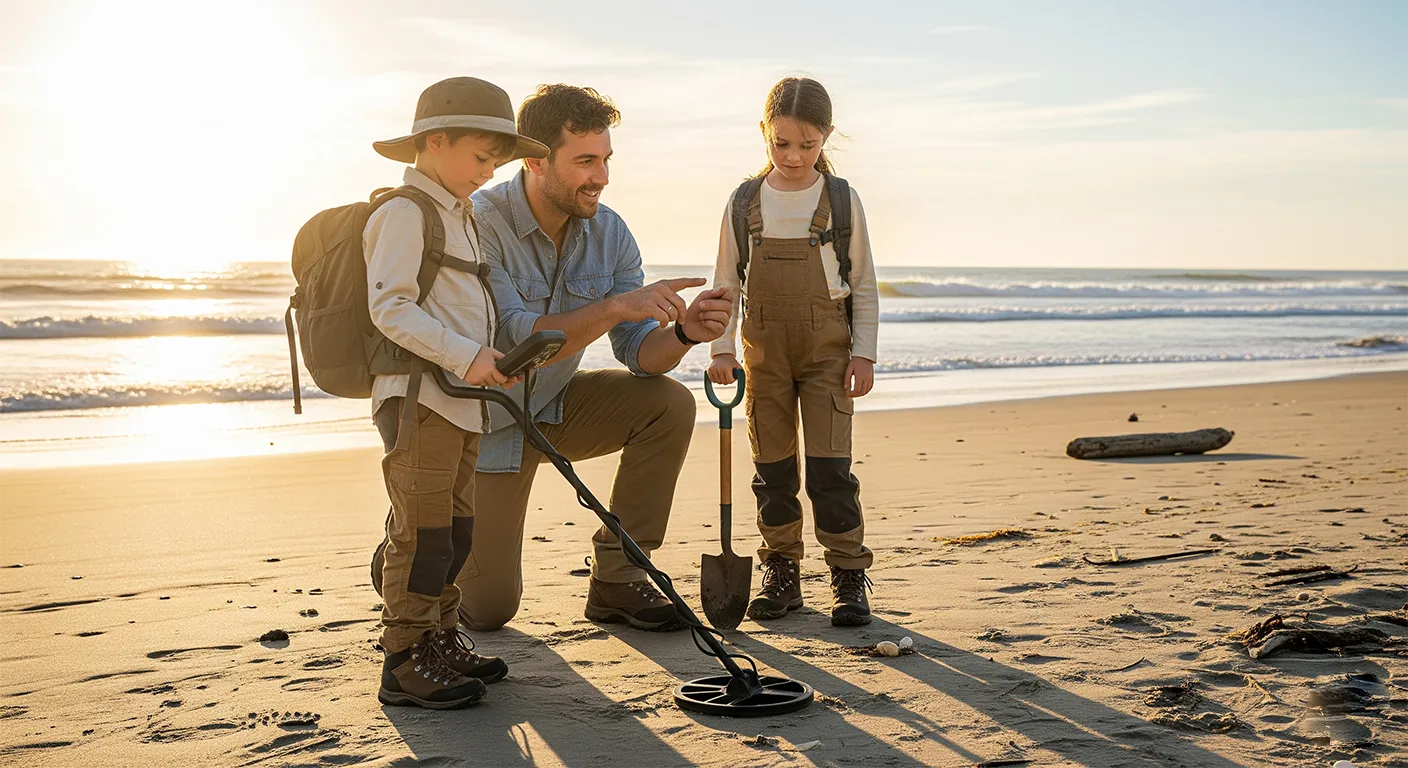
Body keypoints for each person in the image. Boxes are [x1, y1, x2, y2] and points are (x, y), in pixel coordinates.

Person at [455, 84, 734, 632]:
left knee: (667, 404)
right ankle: (413, 536)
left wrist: (683, 332)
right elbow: (515, 342)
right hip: (483, 427)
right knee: (488, 610)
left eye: (606, 160)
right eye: (585, 161)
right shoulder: (479, 223)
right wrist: (614, 307)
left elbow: (638, 356)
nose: (601, 177)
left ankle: (618, 580)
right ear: (534, 160)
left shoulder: (611, 232)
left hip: (555, 408)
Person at [365, 77, 547, 709]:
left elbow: (467, 307)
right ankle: (405, 657)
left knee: (457, 532)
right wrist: (470, 356)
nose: (488, 171)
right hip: (419, 399)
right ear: (434, 143)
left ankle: (442, 636)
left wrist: (495, 360)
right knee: (422, 532)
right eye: (479, 157)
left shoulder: (459, 216)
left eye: (497, 161)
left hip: (460, 397)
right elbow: (391, 308)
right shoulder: (403, 212)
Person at [706, 76, 881, 627]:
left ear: (827, 136)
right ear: (764, 133)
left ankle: (848, 575)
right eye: (781, 143)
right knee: (773, 470)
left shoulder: (840, 199)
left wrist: (865, 354)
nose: (794, 156)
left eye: (808, 145)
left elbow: (866, 285)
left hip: (828, 349)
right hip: (763, 355)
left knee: (831, 470)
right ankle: (781, 571)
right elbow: (724, 283)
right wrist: (720, 350)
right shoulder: (744, 201)